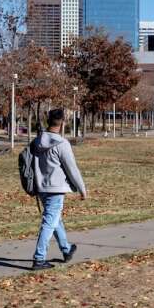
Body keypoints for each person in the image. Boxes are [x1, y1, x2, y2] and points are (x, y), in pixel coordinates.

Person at [30, 108, 87, 270]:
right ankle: (39, 259)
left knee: (55, 220)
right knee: (49, 222)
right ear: (62, 122)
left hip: (41, 187)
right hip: (55, 188)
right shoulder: (62, 143)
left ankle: (66, 249)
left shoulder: (37, 141)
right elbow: (72, 168)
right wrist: (82, 188)